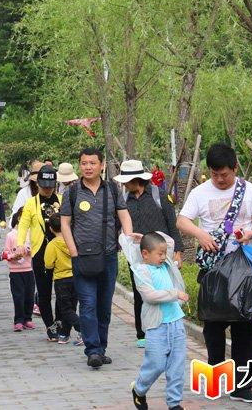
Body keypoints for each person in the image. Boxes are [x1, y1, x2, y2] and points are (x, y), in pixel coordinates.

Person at [177, 143, 252, 404]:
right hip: (212, 270)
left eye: (224, 174)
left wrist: (249, 233)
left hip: (242, 270)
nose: (219, 179)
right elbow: (182, 220)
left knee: (245, 327)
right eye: (215, 174)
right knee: (213, 327)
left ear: (235, 168)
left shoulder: (251, 191)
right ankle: (217, 378)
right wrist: (201, 234)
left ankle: (243, 387)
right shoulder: (199, 193)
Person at [60, 148, 133, 369]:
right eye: (84, 163)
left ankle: (101, 349)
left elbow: (124, 215)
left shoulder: (112, 189)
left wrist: (129, 240)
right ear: (79, 166)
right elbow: (65, 223)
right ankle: (92, 350)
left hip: (108, 256)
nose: (88, 167)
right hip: (82, 257)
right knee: (88, 305)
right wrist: (73, 251)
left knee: (104, 307)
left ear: (102, 165)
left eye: (92, 163)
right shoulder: (72, 192)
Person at [114, 159, 184, 348]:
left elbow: (173, 224)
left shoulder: (159, 196)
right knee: (141, 293)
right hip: (137, 255)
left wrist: (178, 251)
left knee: (164, 287)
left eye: (126, 181)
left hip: (162, 253)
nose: (123, 184)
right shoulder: (122, 200)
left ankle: (168, 326)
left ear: (136, 179)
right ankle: (143, 332)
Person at [123, 232, 188, 410]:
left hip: (176, 323)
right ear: (145, 254)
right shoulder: (141, 270)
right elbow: (150, 296)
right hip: (156, 326)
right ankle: (139, 389)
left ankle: (174, 403)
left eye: (164, 253)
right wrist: (175, 294)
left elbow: (169, 242)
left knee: (177, 367)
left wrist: (144, 235)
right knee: (157, 363)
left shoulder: (166, 265)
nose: (163, 257)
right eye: (159, 254)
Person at [16, 164, 62, 341]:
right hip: (40, 253)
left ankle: (60, 322)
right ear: (38, 185)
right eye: (44, 186)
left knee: (63, 290)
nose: (48, 190)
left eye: (51, 186)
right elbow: (23, 226)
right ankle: (50, 325)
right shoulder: (30, 203)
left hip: (61, 252)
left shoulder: (62, 199)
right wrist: (20, 244)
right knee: (44, 292)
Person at [44, 214, 82, 345]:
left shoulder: (52, 245)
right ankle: (64, 334)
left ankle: (83, 329)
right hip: (76, 277)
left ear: (51, 229)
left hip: (61, 280)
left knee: (65, 309)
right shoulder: (74, 240)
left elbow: (48, 264)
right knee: (71, 307)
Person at [1, 209, 34, 331]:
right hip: (15, 270)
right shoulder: (11, 235)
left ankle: (28, 318)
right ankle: (18, 320)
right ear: (19, 218)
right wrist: (12, 256)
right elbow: (5, 253)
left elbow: (34, 248)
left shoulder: (30, 233)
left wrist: (28, 250)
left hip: (29, 269)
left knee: (29, 296)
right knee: (18, 296)